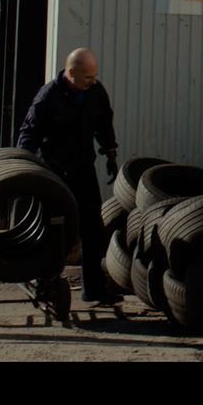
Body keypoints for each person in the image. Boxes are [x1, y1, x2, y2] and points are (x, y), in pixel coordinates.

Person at [17, 47, 121, 304]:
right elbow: (29, 134)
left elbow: (104, 121)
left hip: (83, 167)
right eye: (87, 76)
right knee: (54, 228)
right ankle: (46, 285)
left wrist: (109, 152)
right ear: (71, 73)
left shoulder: (95, 91)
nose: (93, 80)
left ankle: (94, 288)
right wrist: (23, 167)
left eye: (94, 75)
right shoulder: (48, 98)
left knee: (93, 227)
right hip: (54, 170)